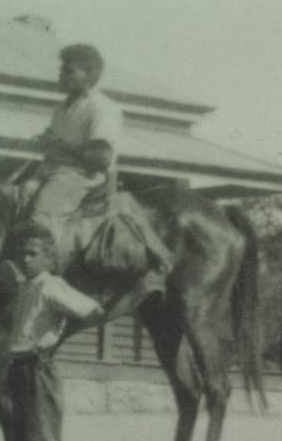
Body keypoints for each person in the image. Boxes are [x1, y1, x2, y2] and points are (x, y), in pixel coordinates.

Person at [19, 43, 170, 294]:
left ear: (87, 76)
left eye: (69, 71)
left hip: (82, 177)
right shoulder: (62, 108)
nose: (61, 75)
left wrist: (60, 145)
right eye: (62, 70)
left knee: (43, 214)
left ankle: (46, 281)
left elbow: (100, 157)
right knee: (17, 197)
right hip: (53, 171)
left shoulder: (103, 108)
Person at [2, 223, 104, 441]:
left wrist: (58, 334)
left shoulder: (52, 286)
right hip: (19, 369)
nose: (26, 259)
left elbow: (93, 310)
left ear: (48, 258)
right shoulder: (27, 288)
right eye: (23, 253)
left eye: (33, 254)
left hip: (39, 371)